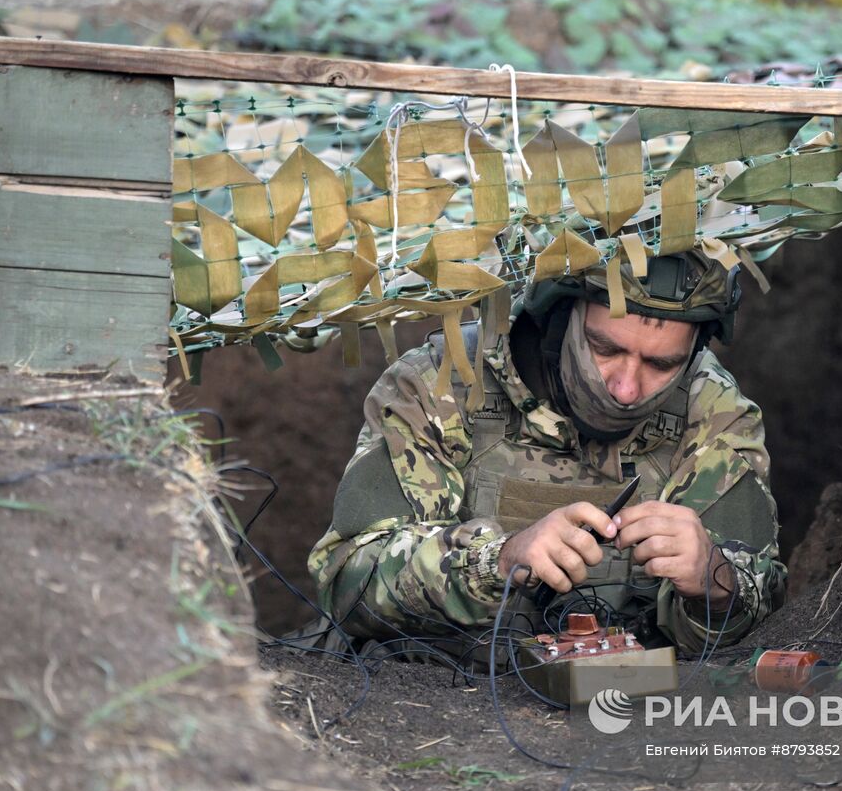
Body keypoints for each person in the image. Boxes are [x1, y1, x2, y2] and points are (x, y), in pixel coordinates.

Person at [308, 245, 787, 657]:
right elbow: (347, 584)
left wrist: (715, 582)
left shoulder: (712, 409)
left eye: (662, 364)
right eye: (604, 349)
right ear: (560, 321)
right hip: (424, 693)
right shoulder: (442, 383)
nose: (625, 389)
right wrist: (496, 562)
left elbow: (765, 600)